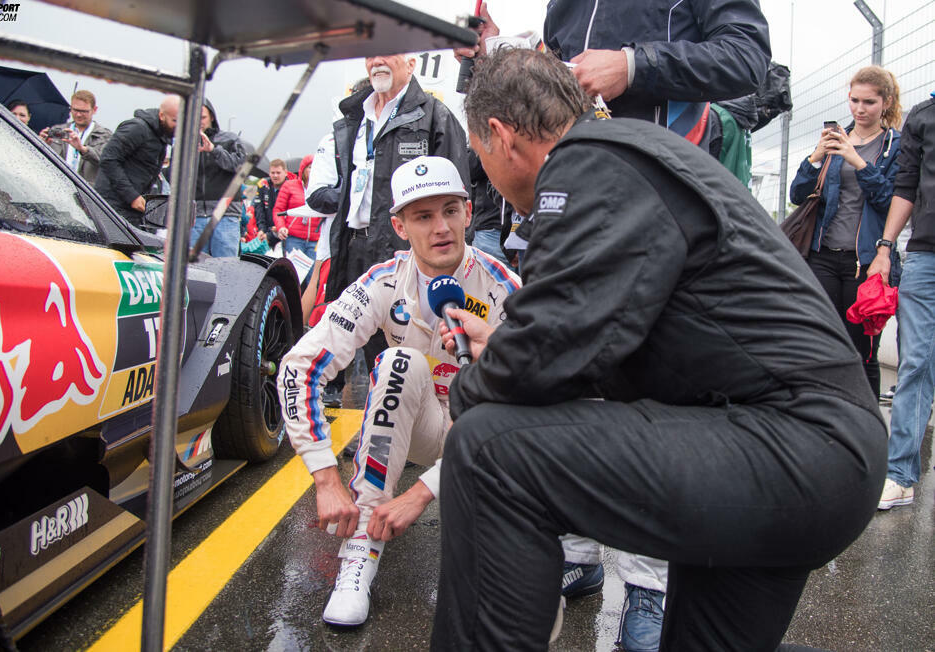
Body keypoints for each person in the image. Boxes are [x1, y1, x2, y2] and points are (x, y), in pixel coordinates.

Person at [431, 48, 886, 651]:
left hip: (790, 446)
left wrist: (468, 388)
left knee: (486, 450)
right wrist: (512, 344)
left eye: (478, 157)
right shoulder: (633, 157)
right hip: (809, 453)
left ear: (499, 135)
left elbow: (547, 352)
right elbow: (593, 335)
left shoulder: (590, 161)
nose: (483, 173)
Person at [278, 156, 519, 626]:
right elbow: (298, 368)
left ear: (469, 213)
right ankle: (360, 551)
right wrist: (325, 478)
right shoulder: (382, 282)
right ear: (399, 226)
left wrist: (423, 493)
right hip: (422, 425)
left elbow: (534, 407)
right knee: (396, 362)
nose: (441, 228)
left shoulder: (504, 289)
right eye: (423, 217)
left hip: (489, 440)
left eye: (450, 210)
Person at [305, 53, 469, 374]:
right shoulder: (354, 117)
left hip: (405, 253)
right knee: (366, 350)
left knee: (412, 351)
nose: (378, 60)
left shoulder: (436, 116)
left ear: (411, 63)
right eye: (372, 54)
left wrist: (447, 267)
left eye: (390, 53)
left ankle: (419, 419)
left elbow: (458, 199)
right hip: (354, 249)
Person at [456, 0, 771, 144]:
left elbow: (746, 55)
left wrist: (631, 65)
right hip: (572, 189)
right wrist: (499, 50)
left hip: (662, 189)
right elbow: (561, 77)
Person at [790, 66, 903, 400]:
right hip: (823, 257)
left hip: (866, 263)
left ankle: (866, 428)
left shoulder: (895, 146)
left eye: (869, 101)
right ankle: (824, 419)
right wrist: (815, 157)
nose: (859, 108)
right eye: (854, 100)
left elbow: (890, 201)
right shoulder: (835, 141)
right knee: (822, 344)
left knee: (863, 352)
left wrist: (859, 162)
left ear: (886, 102)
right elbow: (798, 195)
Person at [865, 92, 935, 510]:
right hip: (926, 254)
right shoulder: (923, 117)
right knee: (915, 363)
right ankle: (900, 476)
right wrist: (885, 247)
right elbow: (906, 186)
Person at [94, 96, 180, 227]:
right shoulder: (137, 128)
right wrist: (132, 196)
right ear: (162, 115)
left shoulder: (162, 135)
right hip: (112, 205)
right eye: (175, 120)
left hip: (132, 208)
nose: (179, 126)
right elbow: (108, 159)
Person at [188, 100, 252, 258]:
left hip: (225, 215)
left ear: (211, 117)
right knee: (194, 273)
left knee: (226, 268)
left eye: (202, 117)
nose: (199, 122)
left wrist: (213, 150)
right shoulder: (184, 143)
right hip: (194, 217)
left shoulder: (230, 139)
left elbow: (241, 167)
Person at [40, 90, 114, 185]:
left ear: (94, 110)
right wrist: (42, 144)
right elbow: (44, 162)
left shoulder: (104, 135)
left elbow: (105, 162)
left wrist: (83, 149)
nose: (78, 115)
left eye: (84, 111)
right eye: (75, 110)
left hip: (87, 190)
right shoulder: (59, 131)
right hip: (57, 185)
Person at [273, 154, 321, 260]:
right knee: (295, 273)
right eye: (310, 167)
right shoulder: (289, 186)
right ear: (303, 169)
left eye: (315, 167)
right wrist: (281, 227)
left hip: (315, 240)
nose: (313, 170)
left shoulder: (322, 189)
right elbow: (278, 210)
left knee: (312, 275)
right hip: (294, 239)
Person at [252, 159, 292, 249]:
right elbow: (259, 210)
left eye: (278, 173)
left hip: (285, 233)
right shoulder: (263, 185)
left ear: (285, 173)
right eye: (272, 173)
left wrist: (279, 227)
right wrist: (261, 229)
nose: (275, 176)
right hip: (267, 232)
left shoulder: (291, 187)